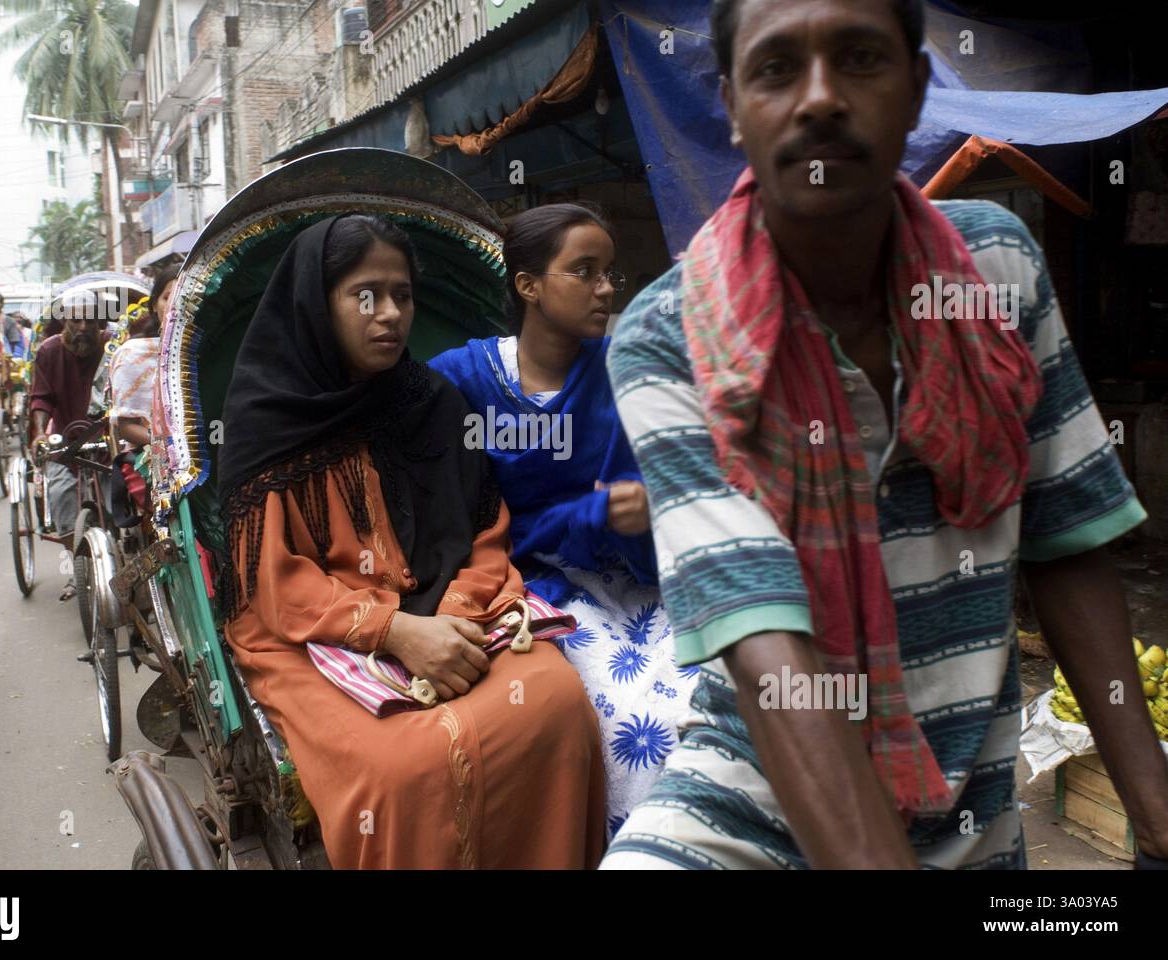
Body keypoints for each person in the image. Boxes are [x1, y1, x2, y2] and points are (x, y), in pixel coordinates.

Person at [600, 0, 1168, 870]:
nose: (821, 97)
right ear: (732, 106)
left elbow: (1064, 540)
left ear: (917, 90)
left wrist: (1156, 814)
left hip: (971, 819)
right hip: (749, 808)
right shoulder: (669, 334)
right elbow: (762, 641)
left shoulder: (998, 274)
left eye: (861, 58)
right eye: (777, 67)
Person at [219, 214, 605, 869]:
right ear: (320, 302)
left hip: (455, 610)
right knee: (402, 771)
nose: (390, 313)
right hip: (313, 631)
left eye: (402, 295)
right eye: (366, 294)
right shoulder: (267, 423)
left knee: (557, 705)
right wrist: (394, 631)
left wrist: (454, 616)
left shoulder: (432, 401)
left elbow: (485, 532)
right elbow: (277, 585)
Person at [430, 203, 697, 836]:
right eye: (584, 271)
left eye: (611, 274)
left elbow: (677, 477)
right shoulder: (461, 381)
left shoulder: (627, 366)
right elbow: (455, 520)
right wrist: (593, 511)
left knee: (720, 690)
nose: (606, 288)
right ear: (528, 285)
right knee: (641, 726)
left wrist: (645, 511)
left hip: (644, 574)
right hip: (532, 590)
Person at [29, 289, 110, 600]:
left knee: (119, 500)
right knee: (62, 493)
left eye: (90, 320)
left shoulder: (109, 346)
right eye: (76, 319)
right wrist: (39, 434)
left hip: (104, 438)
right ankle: (77, 567)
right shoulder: (49, 352)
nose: (83, 327)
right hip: (65, 441)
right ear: (65, 321)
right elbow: (41, 397)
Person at [106, 265, 179, 523]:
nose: (175, 303)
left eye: (183, 294)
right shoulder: (132, 354)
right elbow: (126, 428)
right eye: (167, 296)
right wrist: (170, 447)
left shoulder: (209, 349)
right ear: (155, 305)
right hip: (152, 452)